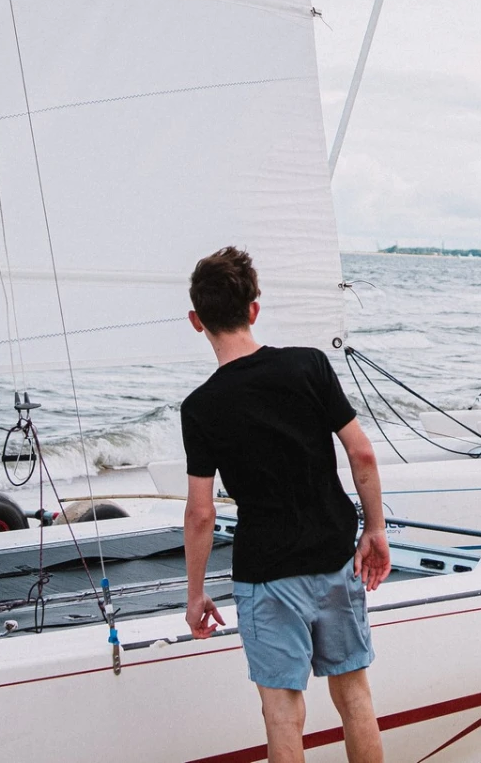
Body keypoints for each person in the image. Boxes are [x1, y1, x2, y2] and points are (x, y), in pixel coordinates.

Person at [182, 247, 390, 763]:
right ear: (254, 309)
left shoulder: (200, 408)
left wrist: (195, 592)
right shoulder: (309, 364)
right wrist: (375, 528)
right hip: (335, 557)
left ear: (196, 321)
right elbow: (362, 452)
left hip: (265, 574)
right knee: (355, 697)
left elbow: (201, 513)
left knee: (282, 715)